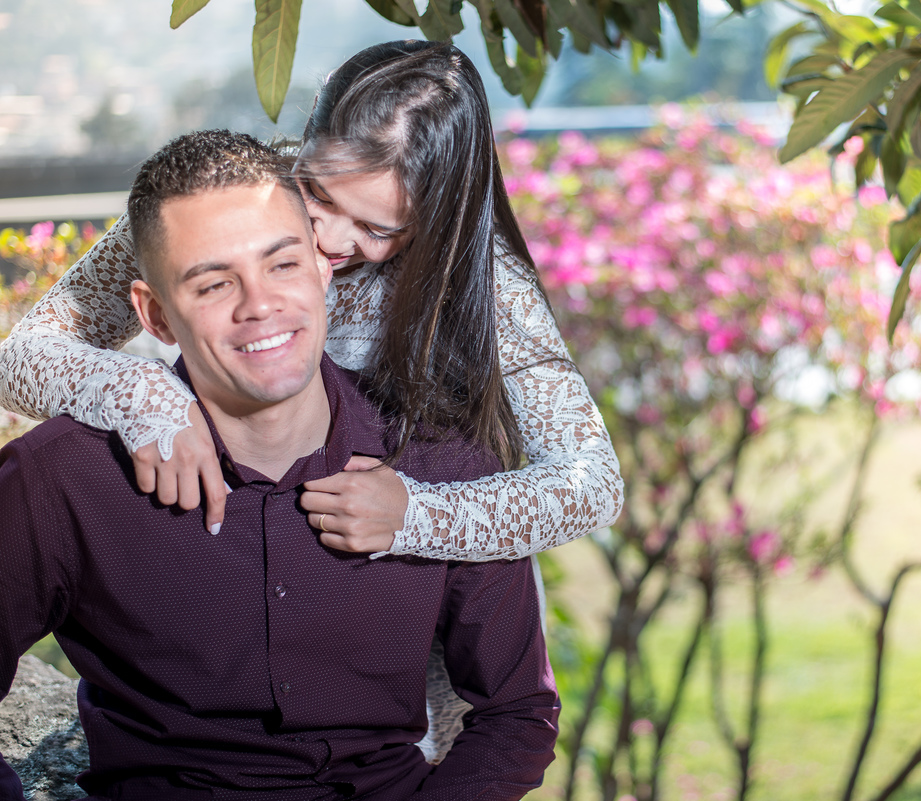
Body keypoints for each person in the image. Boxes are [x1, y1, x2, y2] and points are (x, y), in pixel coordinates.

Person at [0, 40, 622, 756]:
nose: (329, 236)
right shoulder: (238, 194)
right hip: (231, 556)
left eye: (378, 229)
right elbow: (22, 358)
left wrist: (418, 516)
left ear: (433, 218)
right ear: (307, 138)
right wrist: (141, 394)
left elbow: (594, 484)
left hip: (411, 608)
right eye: (319, 194)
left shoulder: (482, 275)